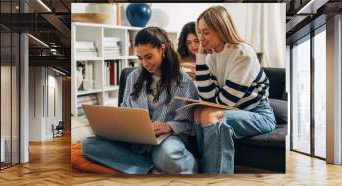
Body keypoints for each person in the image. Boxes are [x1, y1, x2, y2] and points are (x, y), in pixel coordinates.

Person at [82, 27, 199, 174]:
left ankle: (142, 164)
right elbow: (124, 110)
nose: (144, 63)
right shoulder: (133, 78)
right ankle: (148, 167)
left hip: (165, 140)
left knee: (170, 157)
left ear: (162, 49)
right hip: (135, 140)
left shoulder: (184, 81)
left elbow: (190, 124)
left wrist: (169, 126)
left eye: (149, 57)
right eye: (140, 58)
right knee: (89, 144)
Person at [193, 6, 276, 174]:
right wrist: (201, 58)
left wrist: (211, 104)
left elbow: (224, 103)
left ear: (221, 29)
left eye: (206, 32)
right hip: (235, 110)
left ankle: (216, 177)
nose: (201, 38)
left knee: (211, 115)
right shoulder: (210, 56)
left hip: (259, 114)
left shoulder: (242, 53)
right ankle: (204, 172)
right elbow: (207, 97)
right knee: (198, 113)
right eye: (199, 32)